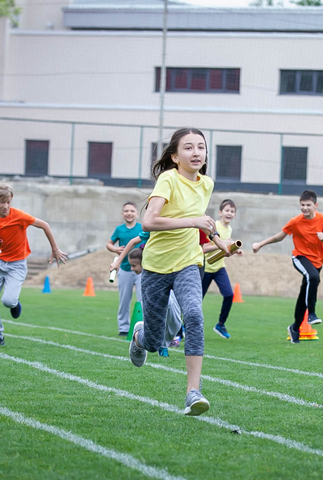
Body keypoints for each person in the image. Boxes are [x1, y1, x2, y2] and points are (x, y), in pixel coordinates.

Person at [128, 127, 235, 416]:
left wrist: (217, 241)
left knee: (195, 316)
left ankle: (193, 392)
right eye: (188, 147)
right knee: (153, 341)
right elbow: (149, 221)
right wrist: (194, 222)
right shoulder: (168, 179)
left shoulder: (206, 184)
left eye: (201, 147)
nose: (197, 152)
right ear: (175, 156)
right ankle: (140, 337)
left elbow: (202, 222)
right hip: (155, 267)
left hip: (189, 262)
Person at [0, 183, 68, 346]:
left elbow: (44, 225)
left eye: (8, 201)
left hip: (17, 264)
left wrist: (55, 249)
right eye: (2, 202)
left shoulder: (19, 215)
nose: (6, 206)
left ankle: (15, 302)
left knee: (8, 301)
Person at [252, 190, 323, 344]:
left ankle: (295, 327)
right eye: (302, 205)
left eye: (308, 205)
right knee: (313, 277)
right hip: (299, 257)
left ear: (315, 205)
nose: (304, 208)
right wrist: (260, 244)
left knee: (305, 293)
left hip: (317, 262)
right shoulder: (295, 221)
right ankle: (312, 314)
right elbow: (279, 236)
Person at [124, 247, 182, 357]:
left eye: (134, 266)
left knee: (176, 323)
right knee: (157, 321)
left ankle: (162, 342)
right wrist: (118, 262)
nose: (131, 268)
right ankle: (157, 343)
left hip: (168, 283)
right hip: (155, 295)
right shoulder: (144, 277)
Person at [201, 199, 242, 339]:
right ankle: (182, 326)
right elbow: (206, 247)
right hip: (206, 267)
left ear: (235, 215)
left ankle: (220, 324)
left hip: (219, 267)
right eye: (227, 210)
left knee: (229, 295)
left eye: (232, 211)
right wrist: (222, 243)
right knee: (196, 299)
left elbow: (225, 249)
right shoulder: (214, 226)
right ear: (220, 212)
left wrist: (235, 250)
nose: (229, 213)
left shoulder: (229, 229)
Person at [106, 201, 144, 337]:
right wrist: (115, 249)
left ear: (137, 214)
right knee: (124, 300)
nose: (129, 213)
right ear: (122, 214)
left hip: (141, 271)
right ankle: (123, 327)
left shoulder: (142, 228)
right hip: (124, 269)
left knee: (142, 299)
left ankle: (142, 325)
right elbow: (109, 244)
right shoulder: (119, 230)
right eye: (126, 211)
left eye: (132, 211)